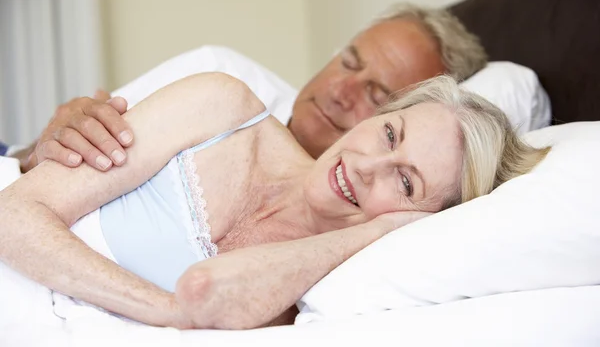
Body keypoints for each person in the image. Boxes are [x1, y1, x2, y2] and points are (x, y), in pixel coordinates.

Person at [0, 73, 549, 329]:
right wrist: (166, 312)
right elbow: (14, 214)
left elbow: (207, 289)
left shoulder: (334, 287)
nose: (364, 166)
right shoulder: (223, 107)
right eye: (389, 134)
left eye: (405, 183)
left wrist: (376, 233)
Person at [8, 3, 487, 172]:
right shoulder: (222, 75)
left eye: (378, 96)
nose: (342, 90)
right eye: (348, 62)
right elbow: (41, 161)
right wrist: (47, 144)